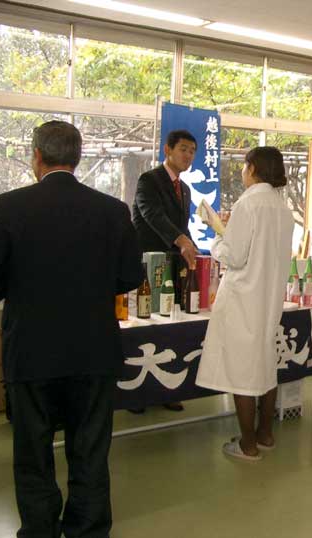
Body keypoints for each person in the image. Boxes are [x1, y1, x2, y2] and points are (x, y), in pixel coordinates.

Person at [0, 120, 142, 537]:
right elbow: (130, 276)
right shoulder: (112, 211)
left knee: (33, 451)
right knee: (90, 449)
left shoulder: (5, 208)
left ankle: (39, 529)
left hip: (31, 351)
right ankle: (88, 529)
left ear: (36, 156)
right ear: (77, 159)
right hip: (93, 350)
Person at [196, 146, 294, 461]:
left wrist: (216, 238)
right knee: (265, 367)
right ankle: (265, 434)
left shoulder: (248, 203)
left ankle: (247, 445)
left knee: (242, 373)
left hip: (242, 300)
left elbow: (235, 256)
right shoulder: (282, 208)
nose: (242, 171)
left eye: (244, 166)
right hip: (268, 299)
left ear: (252, 168)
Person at [131, 129, 199, 412]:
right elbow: (152, 215)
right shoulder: (149, 180)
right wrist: (181, 240)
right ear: (167, 150)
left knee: (171, 327)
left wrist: (193, 247)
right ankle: (137, 396)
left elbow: (183, 228)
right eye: (183, 149)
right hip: (148, 265)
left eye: (192, 151)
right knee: (144, 325)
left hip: (174, 268)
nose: (188, 155)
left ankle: (165, 391)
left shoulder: (185, 189)